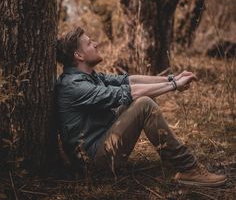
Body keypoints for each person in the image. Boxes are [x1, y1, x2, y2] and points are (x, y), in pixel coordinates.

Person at [55, 26, 226, 186]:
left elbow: (128, 80)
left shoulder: (89, 76)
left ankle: (179, 162)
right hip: (93, 165)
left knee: (139, 99)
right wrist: (174, 86)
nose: (96, 43)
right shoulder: (73, 85)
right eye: (89, 43)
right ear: (79, 55)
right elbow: (128, 92)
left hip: (101, 147)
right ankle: (189, 168)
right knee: (143, 104)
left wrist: (172, 79)